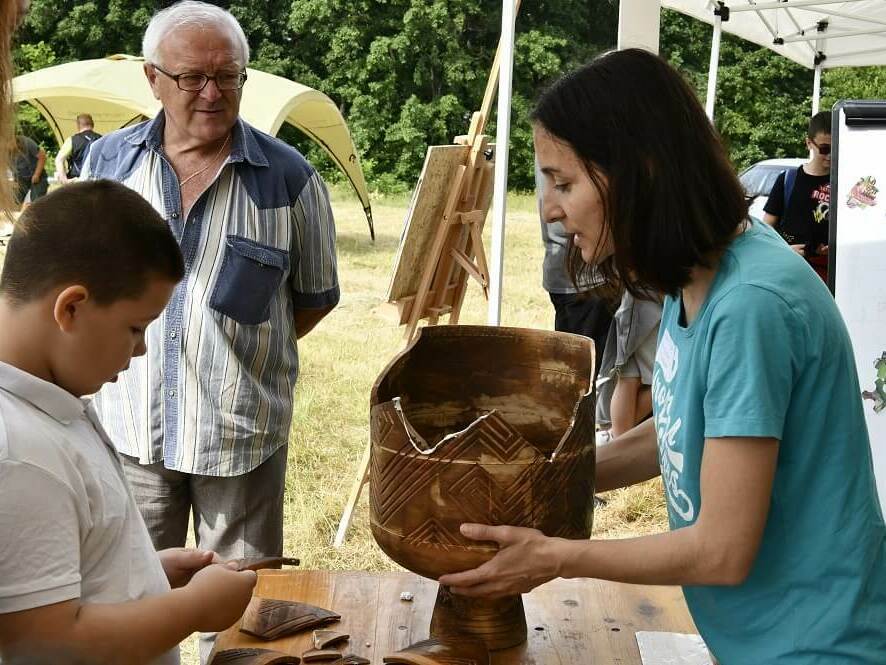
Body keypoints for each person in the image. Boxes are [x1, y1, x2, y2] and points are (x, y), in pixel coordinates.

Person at [439, 49, 886, 663]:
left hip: (815, 647)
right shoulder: (699, 275)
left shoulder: (751, 305)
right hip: (760, 638)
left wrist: (557, 557)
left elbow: (721, 552)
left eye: (563, 182)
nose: (548, 208)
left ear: (641, 171)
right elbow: (678, 432)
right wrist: (538, 481)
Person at [81, 0, 338, 624]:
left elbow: (312, 300)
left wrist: (230, 358)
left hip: (238, 438)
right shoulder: (107, 167)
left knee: (245, 618)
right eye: (192, 77)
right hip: (129, 433)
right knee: (134, 604)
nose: (211, 92)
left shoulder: (290, 179)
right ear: (153, 79)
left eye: (228, 76)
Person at [0, 180, 256, 664]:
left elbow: (53, 585)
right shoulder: (19, 454)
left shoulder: (51, 405)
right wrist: (194, 609)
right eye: (136, 327)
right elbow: (45, 642)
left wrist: (143, 573)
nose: (140, 349)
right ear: (71, 307)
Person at [537, 163, 612, 368]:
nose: (548, 212)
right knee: (576, 374)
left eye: (563, 184)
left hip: (585, 281)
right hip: (574, 281)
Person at [763, 111, 831, 282]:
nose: (830, 155)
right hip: (789, 271)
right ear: (809, 143)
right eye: (825, 149)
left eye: (837, 147)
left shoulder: (846, 183)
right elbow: (765, 229)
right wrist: (784, 251)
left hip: (828, 275)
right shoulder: (788, 179)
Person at [54, 113, 101, 183]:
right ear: (92, 124)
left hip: (77, 182)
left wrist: (64, 179)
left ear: (78, 125)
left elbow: (59, 159)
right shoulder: (102, 139)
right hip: (97, 182)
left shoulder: (72, 140)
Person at [12, 133, 47, 206]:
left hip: (37, 174)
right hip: (20, 177)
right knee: (14, 202)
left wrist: (37, 174)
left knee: (37, 202)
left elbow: (42, 156)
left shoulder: (27, 142)